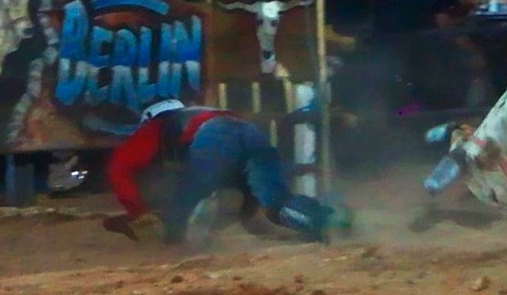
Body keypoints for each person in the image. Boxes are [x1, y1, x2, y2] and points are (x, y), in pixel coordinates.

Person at [102, 99, 336, 244]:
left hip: (212, 136)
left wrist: (137, 210)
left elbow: (118, 168)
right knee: (275, 202)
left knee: (183, 203)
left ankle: (171, 239)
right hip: (250, 132)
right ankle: (327, 222)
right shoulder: (202, 114)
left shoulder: (157, 126)